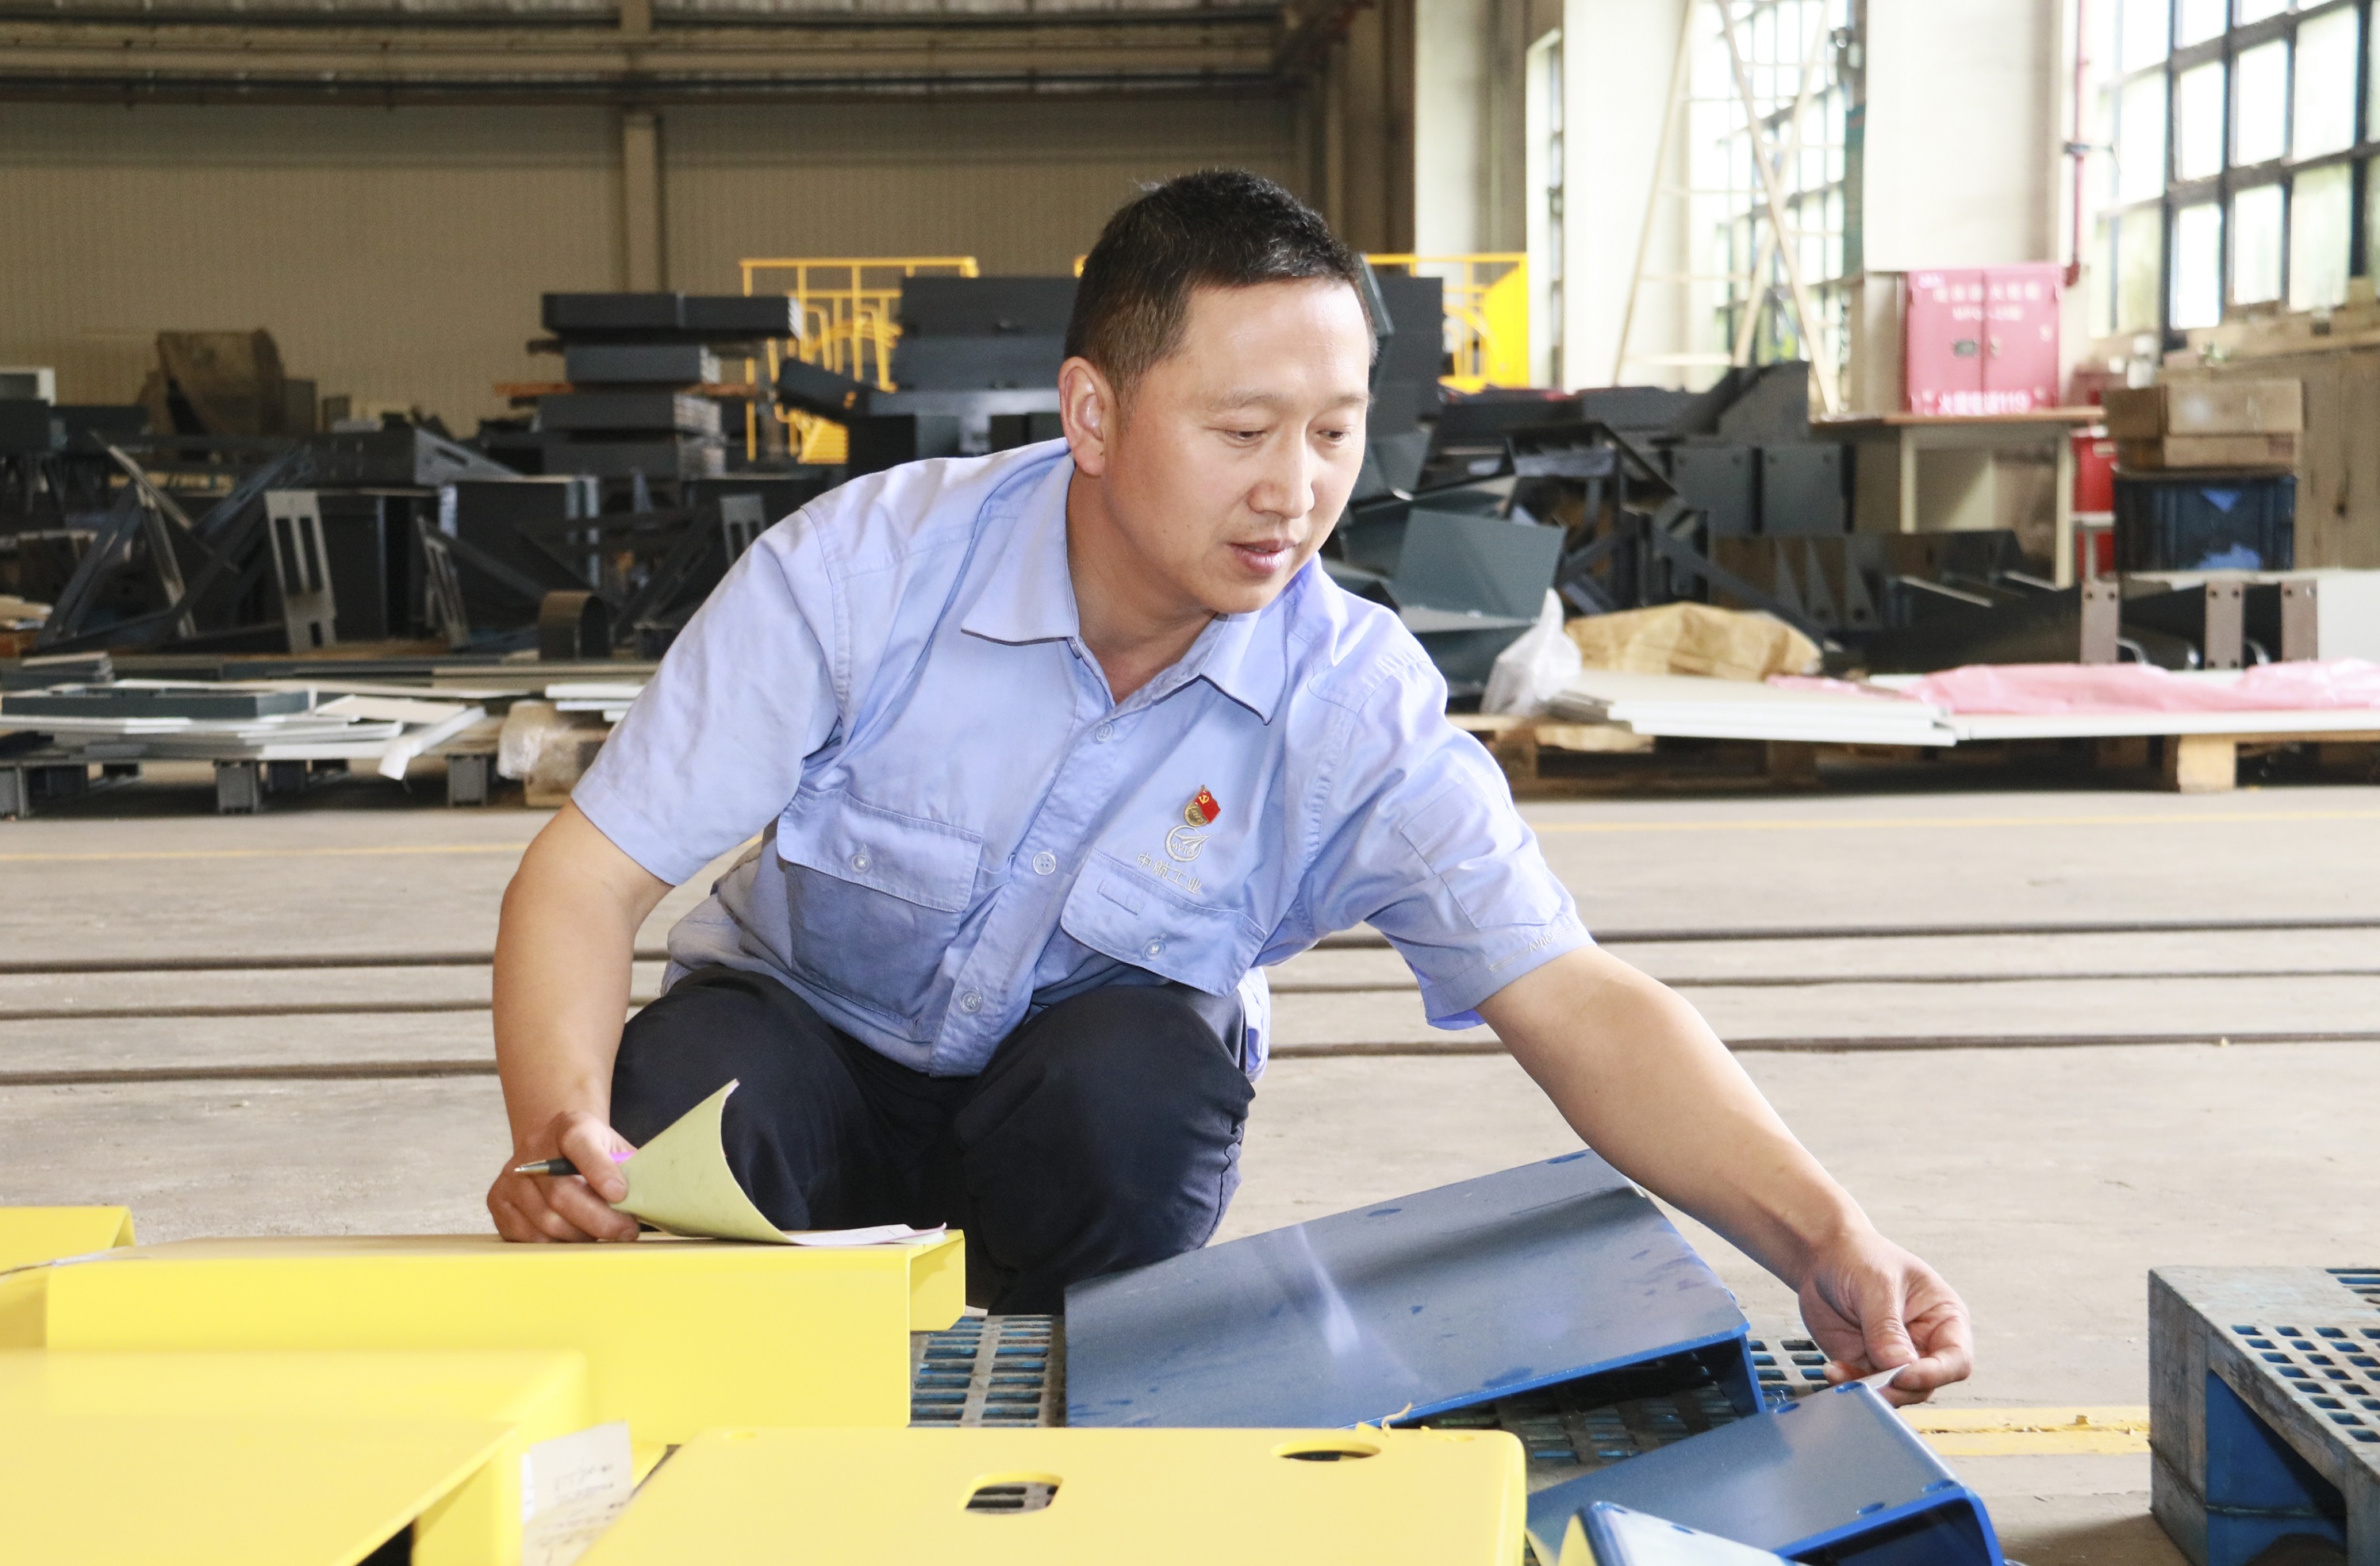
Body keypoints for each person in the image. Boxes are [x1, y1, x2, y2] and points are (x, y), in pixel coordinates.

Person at [486, 169, 1971, 1403]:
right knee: (678, 1092)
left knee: (1137, 1079)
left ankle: (1062, 1414)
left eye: (1335, 432)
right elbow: (587, 876)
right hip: (810, 1048)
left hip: (1071, 1130)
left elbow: (1573, 996)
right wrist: (562, 1139)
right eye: (1244, 432)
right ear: (1092, 414)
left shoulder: (1350, 701)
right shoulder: (864, 573)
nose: (1295, 490)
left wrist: (1826, 1236)